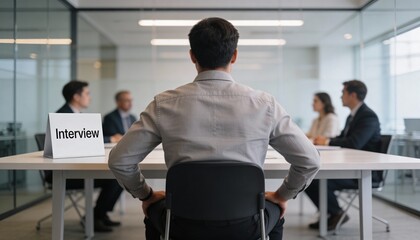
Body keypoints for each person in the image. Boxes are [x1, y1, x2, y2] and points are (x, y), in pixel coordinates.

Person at [108, 17, 320, 240]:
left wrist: (146, 195)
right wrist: (281, 195)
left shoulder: (163, 104)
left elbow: (119, 160)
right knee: (276, 211)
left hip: (180, 224)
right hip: (247, 225)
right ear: (234, 55)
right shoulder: (265, 105)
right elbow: (310, 161)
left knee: (153, 210)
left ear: (192, 56)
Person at [306, 80, 381, 230]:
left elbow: (354, 143)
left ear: (352, 95)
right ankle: (331, 214)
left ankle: (336, 213)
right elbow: (342, 138)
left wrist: (327, 142)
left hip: (365, 171)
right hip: (353, 166)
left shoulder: (368, 116)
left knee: (314, 179)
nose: (340, 97)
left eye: (343, 93)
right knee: (309, 177)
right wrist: (328, 141)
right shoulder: (352, 116)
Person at [54, 80, 124, 232]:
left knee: (119, 176)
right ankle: (95, 216)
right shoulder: (63, 116)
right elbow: (80, 140)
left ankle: (100, 214)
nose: (89, 97)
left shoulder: (77, 114)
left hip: (76, 164)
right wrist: (110, 139)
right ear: (76, 97)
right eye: (87, 94)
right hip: (66, 170)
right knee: (116, 178)